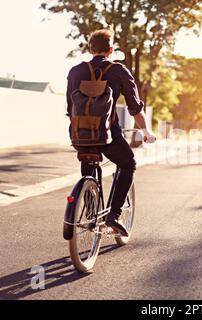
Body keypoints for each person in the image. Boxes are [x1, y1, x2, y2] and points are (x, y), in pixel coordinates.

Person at [66, 29, 156, 237]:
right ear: (111, 49)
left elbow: (70, 107)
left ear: (90, 48)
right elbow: (135, 108)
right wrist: (146, 132)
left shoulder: (75, 71)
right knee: (128, 163)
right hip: (107, 135)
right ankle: (113, 216)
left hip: (79, 135)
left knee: (87, 161)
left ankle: (90, 214)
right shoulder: (119, 71)